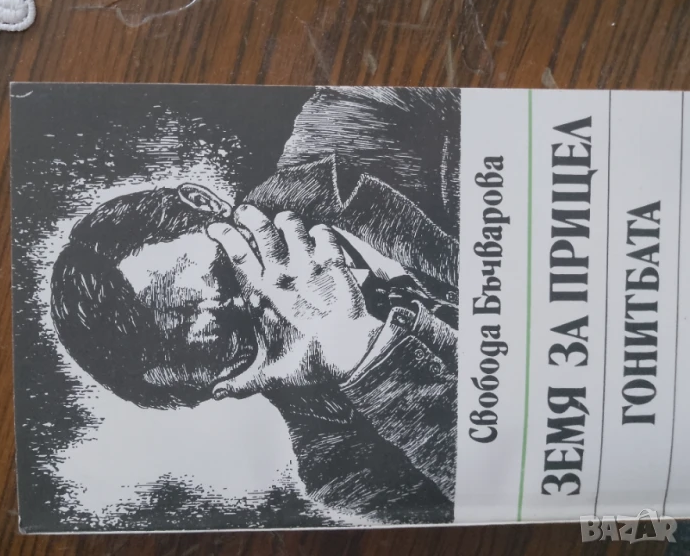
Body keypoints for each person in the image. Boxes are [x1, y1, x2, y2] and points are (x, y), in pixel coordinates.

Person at [50, 87, 460, 524]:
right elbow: (503, 477)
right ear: (226, 386)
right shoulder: (344, 479)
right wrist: (368, 356)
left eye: (230, 272)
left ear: (206, 203)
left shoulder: (360, 114)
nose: (281, 300)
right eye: (241, 336)